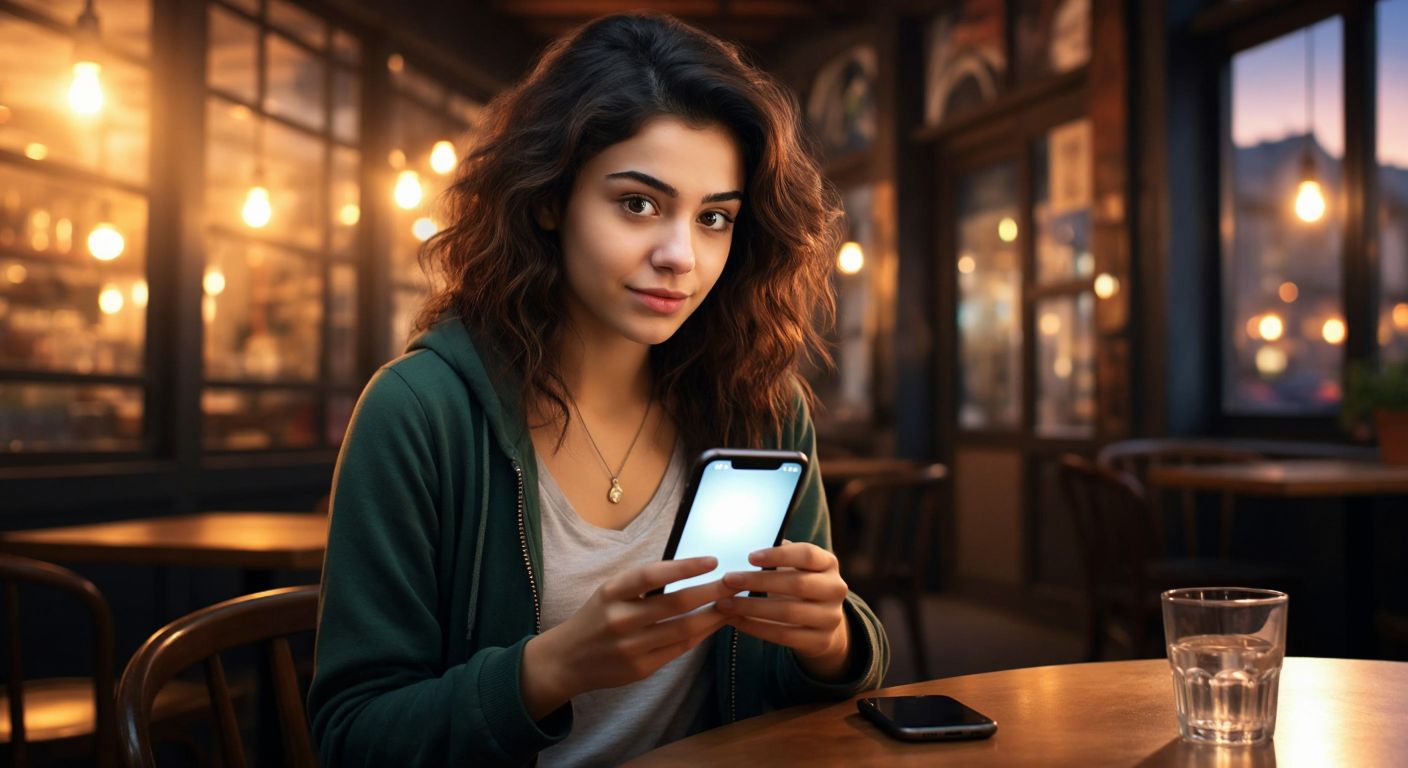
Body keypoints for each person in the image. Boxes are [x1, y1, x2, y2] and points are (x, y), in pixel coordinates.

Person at [308, 12, 890, 766]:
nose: (681, 255)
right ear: (549, 199)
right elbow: (354, 738)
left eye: (714, 218)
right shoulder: (420, 412)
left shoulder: (762, 409)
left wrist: (833, 642)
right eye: (638, 204)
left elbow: (794, 701)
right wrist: (551, 669)